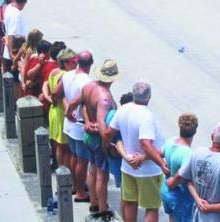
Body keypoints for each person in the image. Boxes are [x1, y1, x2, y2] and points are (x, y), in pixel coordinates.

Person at [109, 80, 168, 222]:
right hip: (147, 171)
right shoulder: (146, 116)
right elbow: (146, 144)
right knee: (152, 207)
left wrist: (124, 155)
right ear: (149, 97)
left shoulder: (123, 109)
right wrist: (161, 163)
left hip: (128, 167)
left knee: (130, 202)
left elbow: (110, 132)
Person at [169, 123, 220, 222]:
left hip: (199, 216)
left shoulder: (198, 153)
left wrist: (198, 200)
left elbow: (183, 177)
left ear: (212, 137)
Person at [81, 59, 121, 219]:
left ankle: (94, 203)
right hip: (98, 139)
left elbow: (82, 105)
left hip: (89, 137)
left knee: (92, 170)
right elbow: (102, 125)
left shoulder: (89, 87)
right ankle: (103, 210)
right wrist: (107, 145)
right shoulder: (104, 97)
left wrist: (86, 122)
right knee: (102, 176)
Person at [64, 51, 94, 203]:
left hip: (69, 124)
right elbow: (83, 104)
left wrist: (66, 110)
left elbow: (58, 93)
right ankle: (81, 192)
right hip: (79, 124)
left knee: (74, 157)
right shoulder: (87, 82)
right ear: (90, 64)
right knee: (82, 161)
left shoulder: (67, 75)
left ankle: (75, 186)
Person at [160, 113, 198, 222]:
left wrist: (163, 165)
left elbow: (159, 153)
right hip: (180, 197)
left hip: (166, 192)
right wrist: (172, 182)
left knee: (172, 218)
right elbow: (180, 176)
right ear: (195, 131)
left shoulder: (171, 142)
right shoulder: (188, 154)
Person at [43, 48, 75, 170]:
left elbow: (45, 84)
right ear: (66, 62)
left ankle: (60, 171)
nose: (76, 63)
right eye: (73, 61)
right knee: (65, 148)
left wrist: (48, 98)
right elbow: (59, 94)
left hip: (54, 111)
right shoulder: (65, 76)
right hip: (62, 113)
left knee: (58, 146)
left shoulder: (54, 72)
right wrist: (54, 97)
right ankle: (66, 174)